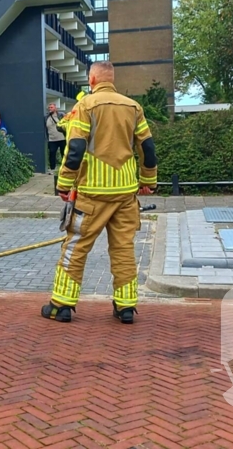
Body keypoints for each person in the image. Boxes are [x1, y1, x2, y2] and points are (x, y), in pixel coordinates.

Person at [43, 62, 157, 326]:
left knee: (76, 246)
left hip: (91, 195)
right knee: (123, 249)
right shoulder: (133, 107)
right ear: (112, 79)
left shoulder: (85, 106)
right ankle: (126, 307)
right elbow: (148, 148)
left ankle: (61, 305)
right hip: (126, 194)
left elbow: (76, 149)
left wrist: (63, 183)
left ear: (91, 79)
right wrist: (148, 180)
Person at [45, 103, 66, 174]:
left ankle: (65, 168)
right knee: (52, 153)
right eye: (49, 107)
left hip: (62, 138)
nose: (50, 108)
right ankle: (52, 169)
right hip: (52, 139)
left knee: (63, 153)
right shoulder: (46, 117)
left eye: (51, 107)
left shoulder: (61, 115)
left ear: (55, 108)